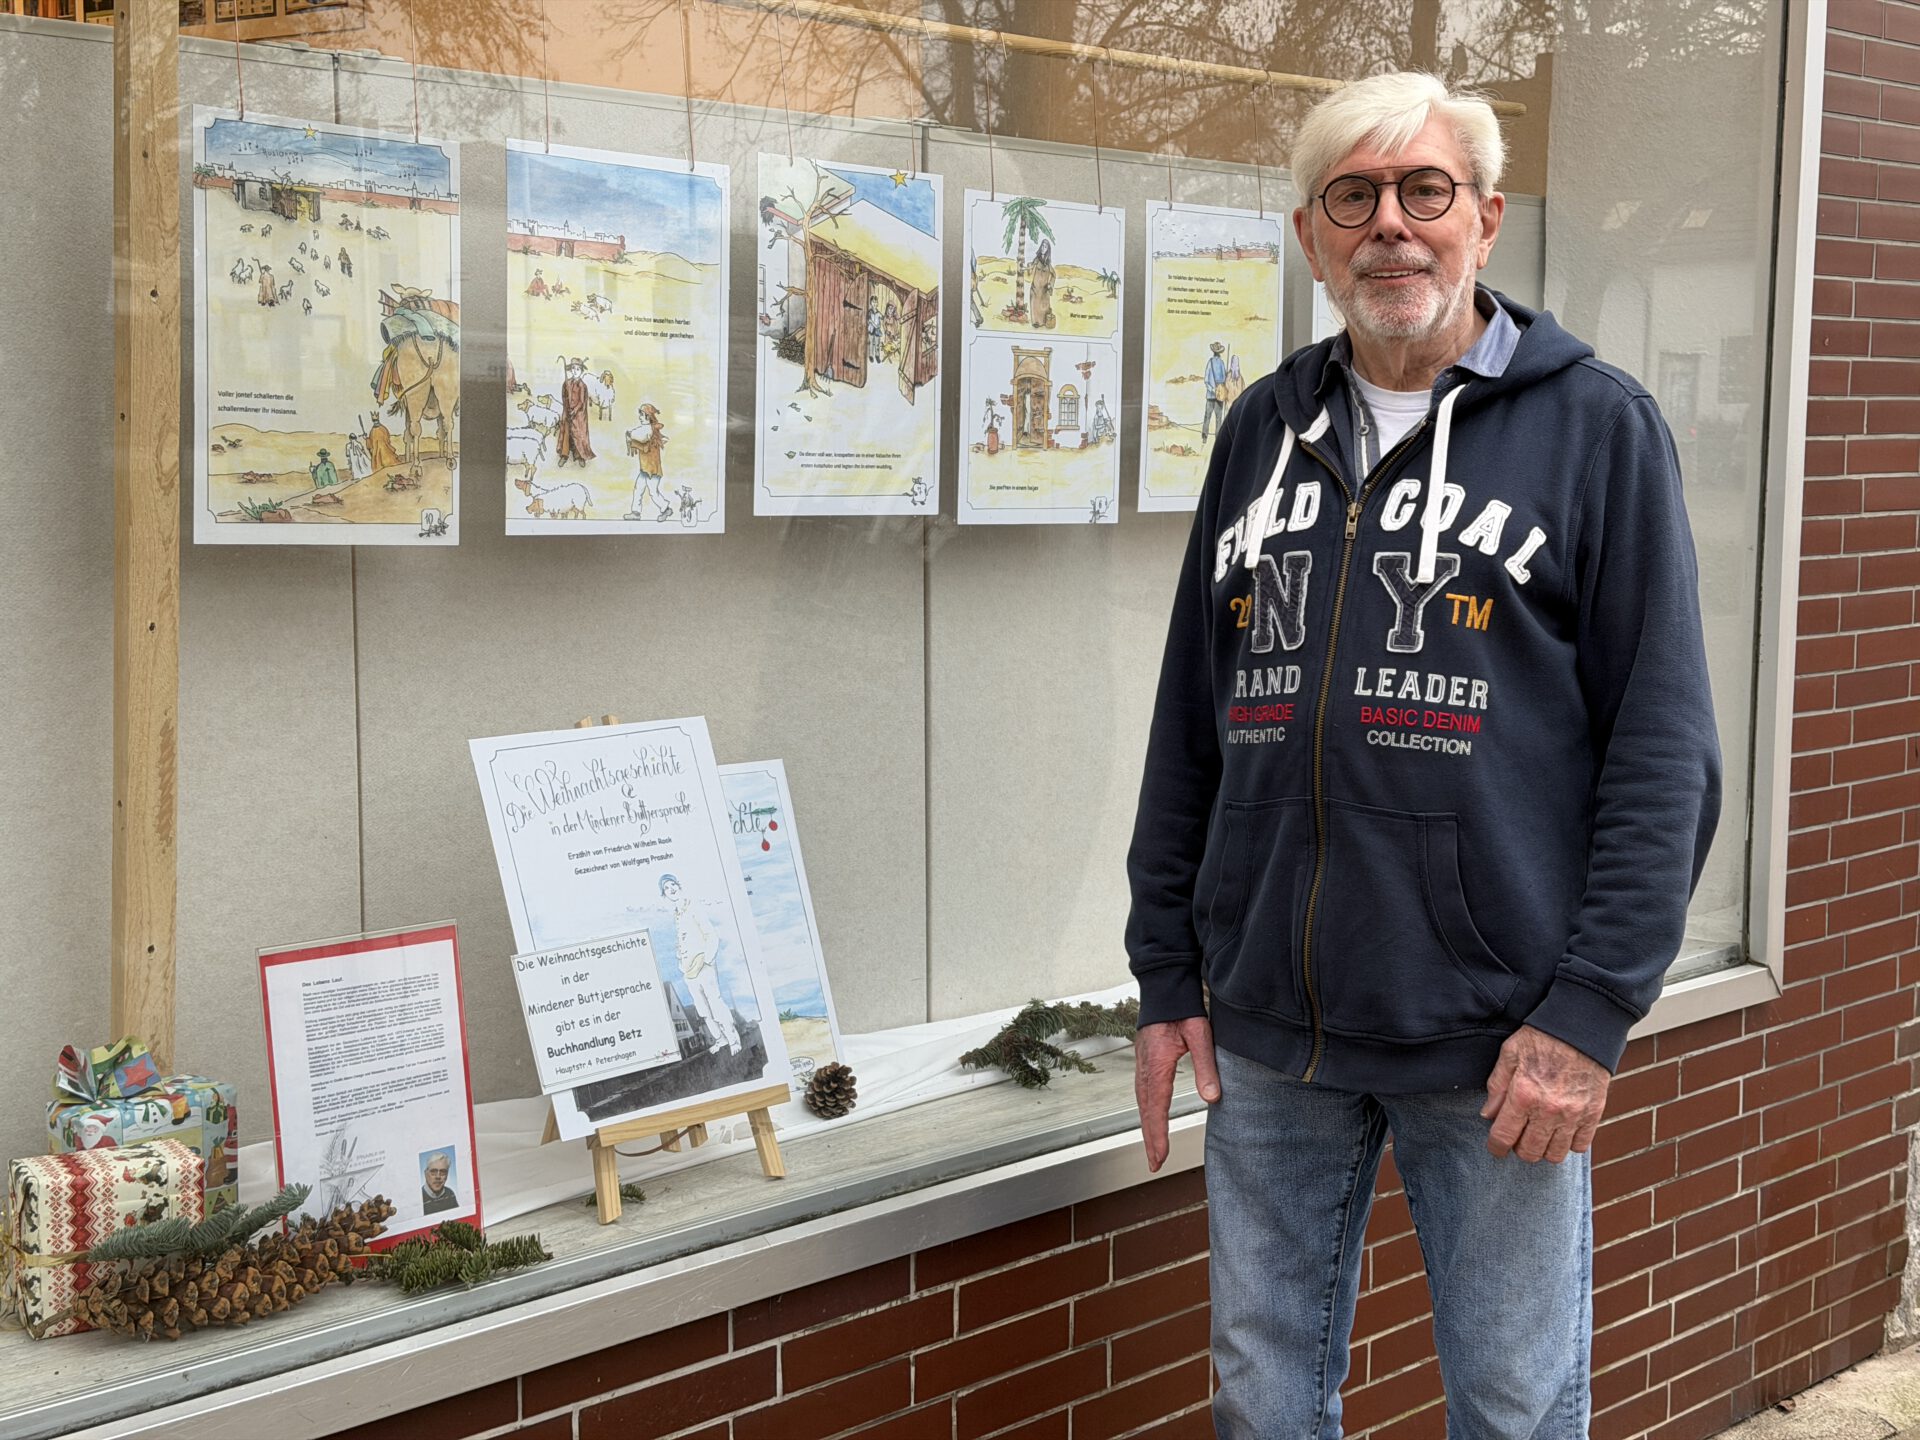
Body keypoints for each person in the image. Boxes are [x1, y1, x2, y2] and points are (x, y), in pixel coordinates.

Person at [1125, 71, 1721, 1438]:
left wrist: (1588, 1014)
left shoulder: (1597, 430)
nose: (1389, 227)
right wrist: (1169, 966)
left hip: (1501, 1044)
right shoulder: (1261, 433)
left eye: (1423, 192)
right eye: (1354, 197)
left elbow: (1666, 751)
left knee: (1514, 1407)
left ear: (1486, 220)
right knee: (1260, 1393)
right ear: (1310, 234)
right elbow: (1189, 722)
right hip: (1273, 1032)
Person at [661, 874, 741, 1056]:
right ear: (664, 895)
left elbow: (711, 935)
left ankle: (733, 1040)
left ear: (679, 885)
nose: (671, 889)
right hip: (689, 972)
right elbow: (682, 943)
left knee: (715, 1003)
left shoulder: (692, 907)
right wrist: (681, 962)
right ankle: (720, 1039)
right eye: (666, 888)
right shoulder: (677, 915)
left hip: (703, 965)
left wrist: (706, 960)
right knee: (702, 1009)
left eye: (673, 884)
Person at [623, 403, 670, 520]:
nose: (639, 417)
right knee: (638, 489)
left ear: (647, 416)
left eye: (641, 414)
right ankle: (635, 513)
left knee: (653, 492)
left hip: (651, 470)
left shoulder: (648, 430)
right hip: (645, 469)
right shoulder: (649, 429)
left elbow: (642, 442)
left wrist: (630, 439)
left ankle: (665, 508)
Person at [556, 356, 595, 466]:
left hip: (578, 415)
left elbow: (582, 402)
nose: (575, 371)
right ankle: (564, 455)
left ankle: (580, 456)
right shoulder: (567, 383)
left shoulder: (582, 386)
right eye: (573, 368)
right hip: (567, 412)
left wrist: (575, 410)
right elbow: (564, 396)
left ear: (581, 371)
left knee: (579, 434)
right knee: (566, 433)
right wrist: (566, 407)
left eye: (578, 369)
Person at [1028, 237, 1057, 330]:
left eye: (1045, 247)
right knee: (1034, 305)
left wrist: (1050, 285)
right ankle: (1035, 322)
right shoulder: (1036, 260)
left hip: (1044, 290)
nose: (1043, 248)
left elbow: (1054, 275)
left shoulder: (1048, 264)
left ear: (1048, 250)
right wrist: (1028, 267)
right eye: (1042, 246)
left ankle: (1044, 322)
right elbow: (1030, 270)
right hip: (1035, 288)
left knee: (1044, 306)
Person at [1202, 340, 1229, 440]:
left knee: (1207, 416)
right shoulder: (1221, 363)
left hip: (1211, 395)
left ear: (1213, 352)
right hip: (1219, 395)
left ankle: (1204, 436)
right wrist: (1220, 390)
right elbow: (1224, 379)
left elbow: (1206, 380)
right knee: (1218, 418)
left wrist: (1213, 389)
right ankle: (1218, 439)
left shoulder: (1210, 362)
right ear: (1219, 353)